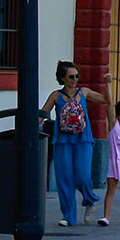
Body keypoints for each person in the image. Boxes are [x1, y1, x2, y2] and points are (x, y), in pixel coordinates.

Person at [41, 60, 104, 227]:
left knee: (83, 176)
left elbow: (105, 99)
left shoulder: (84, 92)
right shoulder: (56, 96)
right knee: (64, 179)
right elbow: (43, 113)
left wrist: (108, 84)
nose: (75, 79)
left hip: (83, 140)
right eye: (71, 77)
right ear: (62, 78)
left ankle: (89, 200)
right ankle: (68, 216)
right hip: (62, 141)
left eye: (77, 76)